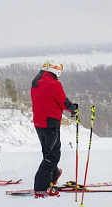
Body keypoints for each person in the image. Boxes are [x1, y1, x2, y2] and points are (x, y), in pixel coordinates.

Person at [31, 59, 78, 198]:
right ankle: (41, 188)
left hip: (39, 123)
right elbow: (63, 102)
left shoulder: (35, 84)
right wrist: (73, 108)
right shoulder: (54, 84)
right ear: (55, 70)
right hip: (50, 124)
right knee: (53, 155)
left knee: (48, 152)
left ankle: (54, 175)